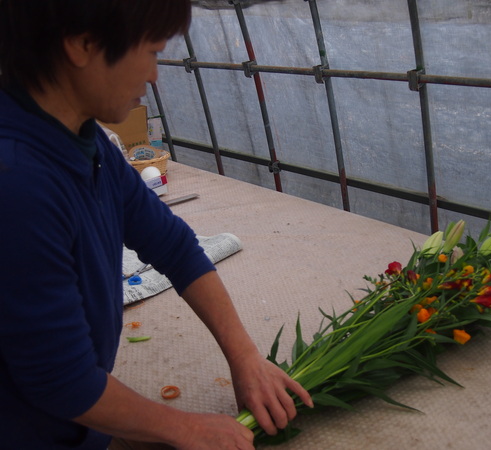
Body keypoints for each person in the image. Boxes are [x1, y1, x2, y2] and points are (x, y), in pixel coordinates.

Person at [0, 1, 312, 449]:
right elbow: (60, 380)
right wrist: (186, 428)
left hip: (77, 421)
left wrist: (246, 358)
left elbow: (175, 247)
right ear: (82, 44)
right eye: (151, 51)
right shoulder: (17, 183)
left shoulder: (87, 143)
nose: (154, 75)